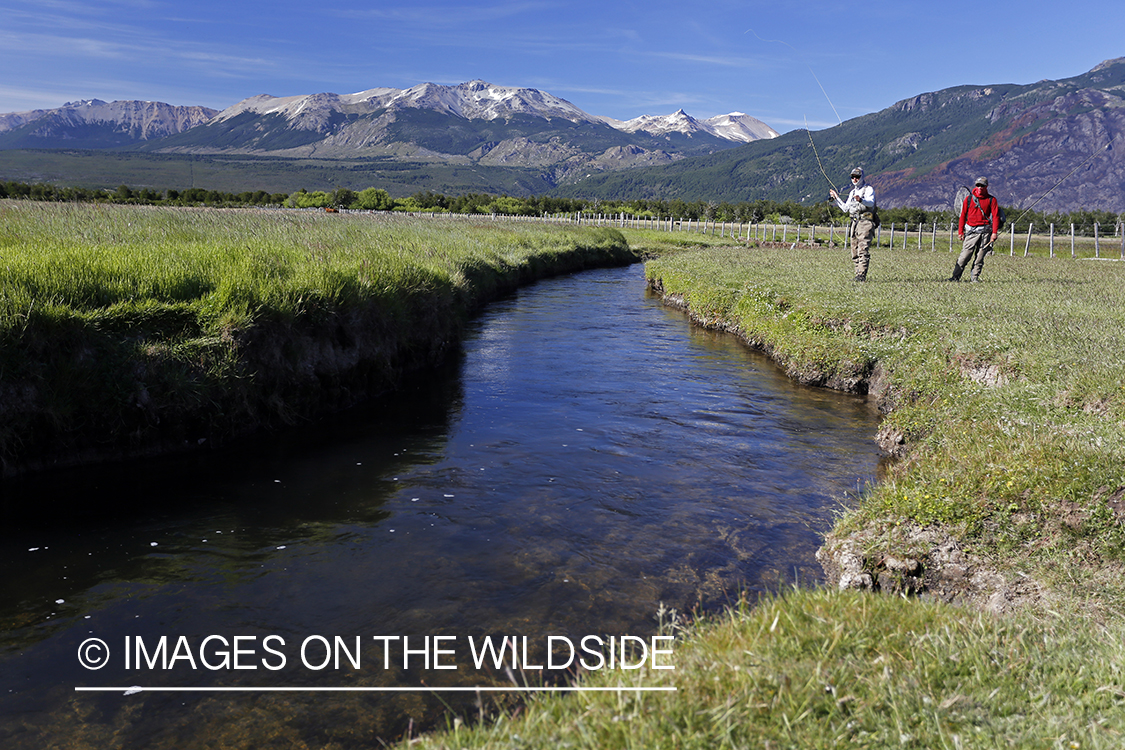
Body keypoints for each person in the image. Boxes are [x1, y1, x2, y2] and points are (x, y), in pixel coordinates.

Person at [830, 167, 877, 282]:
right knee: (854, 250)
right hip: (854, 222)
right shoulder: (852, 192)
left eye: (857, 177)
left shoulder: (869, 189)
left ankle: (862, 275)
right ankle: (857, 273)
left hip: (865, 222)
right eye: (853, 177)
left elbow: (871, 203)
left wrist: (861, 200)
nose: (855, 179)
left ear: (862, 177)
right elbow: (846, 208)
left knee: (863, 248)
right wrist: (836, 198)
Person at [950, 176, 1000, 282]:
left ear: (986, 186)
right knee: (964, 256)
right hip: (971, 232)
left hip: (985, 232)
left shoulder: (992, 200)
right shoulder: (968, 199)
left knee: (980, 257)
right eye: (978, 185)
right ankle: (955, 277)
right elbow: (962, 215)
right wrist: (960, 232)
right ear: (975, 186)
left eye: (982, 185)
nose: (980, 187)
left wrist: (994, 233)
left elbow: (995, 217)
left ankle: (974, 278)